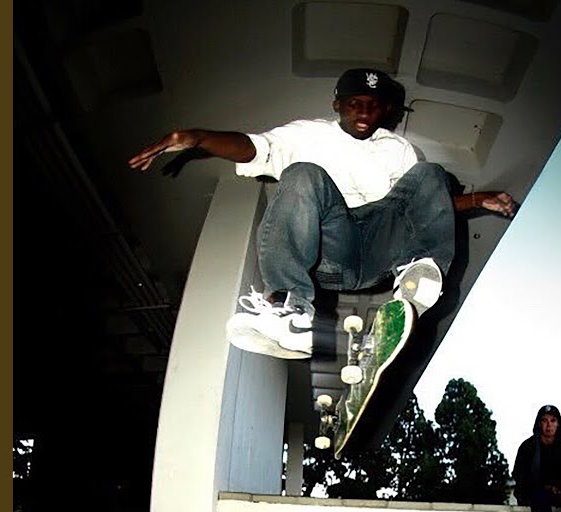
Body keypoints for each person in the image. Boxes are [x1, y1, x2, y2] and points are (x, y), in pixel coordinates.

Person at [128, 68, 517, 359]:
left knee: (431, 175)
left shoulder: (397, 149)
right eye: (354, 104)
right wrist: (198, 138)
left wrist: (477, 200)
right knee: (302, 173)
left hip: (382, 247)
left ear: (385, 109)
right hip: (333, 248)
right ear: (337, 105)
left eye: (374, 106)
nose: (364, 113)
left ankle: (418, 274)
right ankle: (292, 312)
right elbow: (254, 147)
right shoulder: (307, 133)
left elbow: (424, 206)